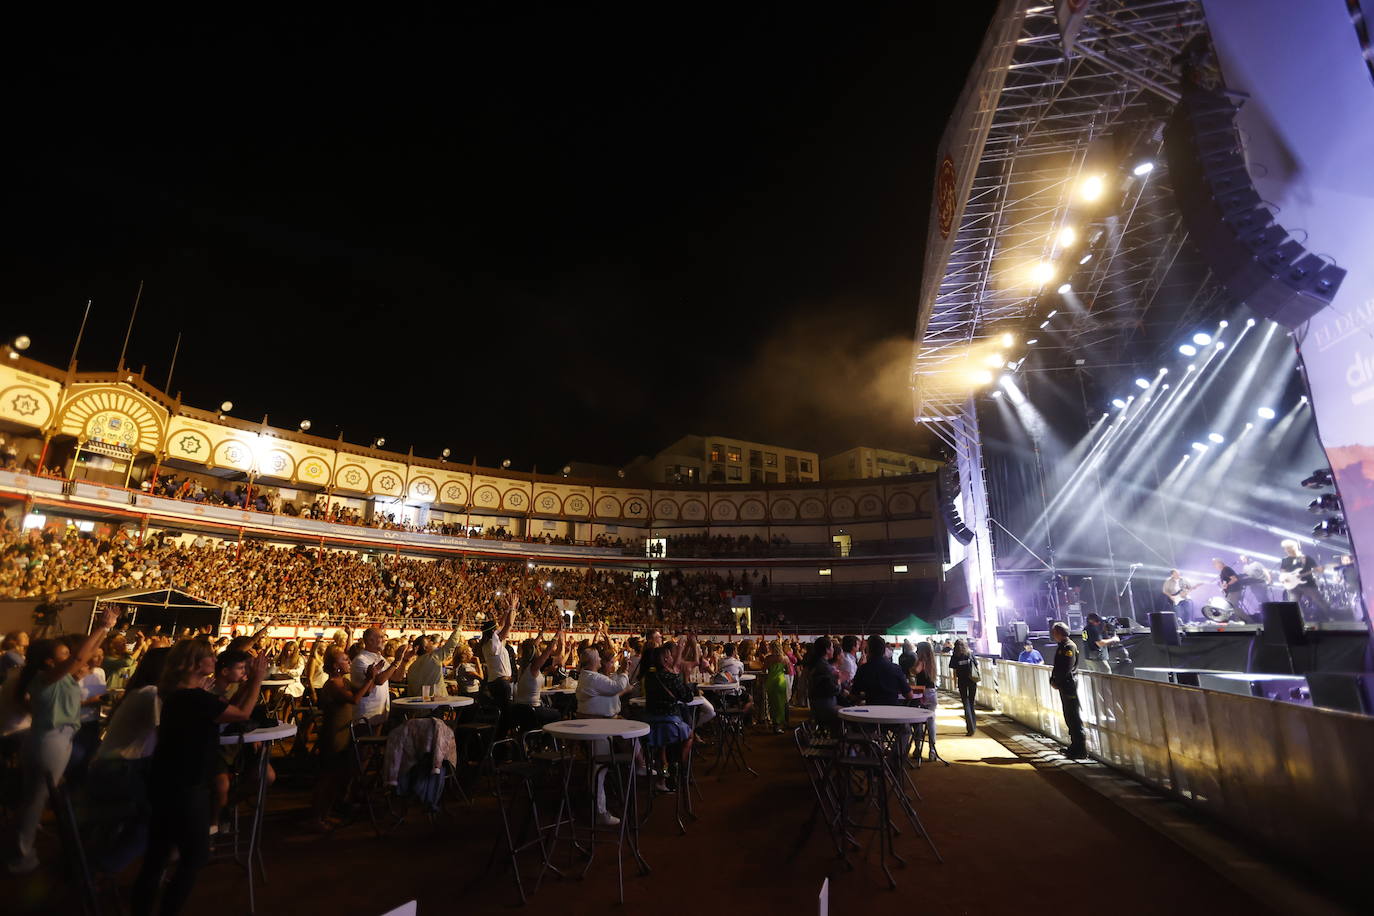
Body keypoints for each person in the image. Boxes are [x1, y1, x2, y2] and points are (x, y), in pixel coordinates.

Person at [130, 639, 270, 916]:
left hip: (166, 779)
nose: (214, 660)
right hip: (187, 784)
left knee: (158, 854)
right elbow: (241, 714)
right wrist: (256, 679)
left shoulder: (180, 694)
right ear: (195, 664)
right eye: (208, 657)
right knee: (194, 856)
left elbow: (221, 711)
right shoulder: (193, 698)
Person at [7, 607, 118, 874]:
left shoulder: (53, 678)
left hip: (45, 740)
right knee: (35, 801)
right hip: (51, 742)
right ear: (48, 661)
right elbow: (81, 656)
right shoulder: (47, 678)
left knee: (32, 798)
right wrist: (102, 627)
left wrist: (106, 631)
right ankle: (19, 858)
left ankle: (18, 848)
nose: (71, 657)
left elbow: (85, 656)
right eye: (64, 654)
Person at [310, 646, 385, 832]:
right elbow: (355, 699)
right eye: (345, 660)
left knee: (339, 775)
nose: (349, 662)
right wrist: (369, 678)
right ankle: (317, 817)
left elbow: (365, 692)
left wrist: (373, 677)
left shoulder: (343, 681)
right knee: (329, 777)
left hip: (343, 732)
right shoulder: (333, 684)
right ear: (336, 665)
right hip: (333, 734)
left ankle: (327, 813)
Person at [574, 645, 630, 827]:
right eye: (598, 658)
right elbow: (617, 686)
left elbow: (610, 686)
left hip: (599, 725)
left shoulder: (590, 677)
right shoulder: (593, 678)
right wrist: (624, 672)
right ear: (593, 661)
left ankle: (598, 806)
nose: (600, 660)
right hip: (598, 726)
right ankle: (600, 811)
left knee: (598, 767)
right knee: (600, 768)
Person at [512, 626, 565, 732]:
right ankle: (548, 741)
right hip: (532, 709)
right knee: (558, 714)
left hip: (520, 709)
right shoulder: (534, 667)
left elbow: (531, 647)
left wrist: (541, 633)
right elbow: (549, 650)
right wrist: (558, 633)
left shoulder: (523, 665)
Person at [480, 593, 518, 732]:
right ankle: (502, 743)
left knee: (501, 714)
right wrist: (513, 608)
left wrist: (508, 609)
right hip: (501, 683)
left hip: (495, 682)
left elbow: (502, 624)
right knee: (506, 716)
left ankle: (499, 740)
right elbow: (507, 625)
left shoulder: (487, 643)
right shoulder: (494, 643)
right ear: (492, 632)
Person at [1048, 622, 1086, 759]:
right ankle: (1074, 745)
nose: (1053, 635)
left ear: (1059, 633)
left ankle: (1080, 748)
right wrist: (1053, 680)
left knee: (1073, 716)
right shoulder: (1063, 646)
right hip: (1064, 685)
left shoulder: (1068, 646)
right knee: (1069, 715)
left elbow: (1066, 668)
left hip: (1069, 685)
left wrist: (1057, 681)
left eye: (1055, 632)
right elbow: (1058, 667)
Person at [849, 635, 913, 707]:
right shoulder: (896, 668)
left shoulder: (863, 669)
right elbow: (909, 695)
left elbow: (853, 696)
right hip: (893, 712)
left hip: (871, 713)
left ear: (869, 650)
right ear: (884, 650)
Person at [1279, 539, 1333, 621]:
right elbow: (1282, 573)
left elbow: (1317, 569)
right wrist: (1284, 579)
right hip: (1292, 587)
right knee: (1293, 605)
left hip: (1308, 584)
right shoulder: (1285, 560)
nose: (1286, 550)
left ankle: (1330, 617)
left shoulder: (1306, 558)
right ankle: (1300, 622)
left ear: (1294, 547)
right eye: (1285, 548)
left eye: (1288, 548)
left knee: (1320, 601)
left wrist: (1321, 569)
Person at [405, 624, 464, 697]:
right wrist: (460, 624)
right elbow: (451, 643)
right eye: (430, 642)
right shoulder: (434, 656)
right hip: (437, 702)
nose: (433, 643)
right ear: (425, 647)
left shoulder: (412, 667)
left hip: (419, 704)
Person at [803, 637, 841, 734]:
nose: (833, 650)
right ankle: (839, 744)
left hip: (816, 706)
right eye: (832, 647)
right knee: (847, 714)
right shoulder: (825, 667)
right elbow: (833, 690)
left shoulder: (816, 663)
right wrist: (839, 680)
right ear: (827, 650)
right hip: (826, 707)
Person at [948, 638, 978, 735]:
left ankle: (970, 728)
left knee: (966, 703)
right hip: (972, 680)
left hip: (962, 681)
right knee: (971, 703)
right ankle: (973, 725)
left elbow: (954, 671)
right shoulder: (969, 654)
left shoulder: (955, 656)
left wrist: (954, 682)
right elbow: (976, 666)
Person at [761, 639, 790, 733]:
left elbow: (763, 670)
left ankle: (775, 723)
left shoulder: (768, 658)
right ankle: (781, 723)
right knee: (782, 703)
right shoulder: (785, 658)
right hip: (781, 681)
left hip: (771, 681)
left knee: (772, 703)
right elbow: (789, 671)